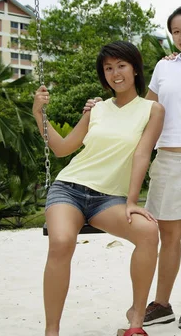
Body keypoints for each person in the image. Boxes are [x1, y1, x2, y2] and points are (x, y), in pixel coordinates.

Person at [85, 6, 181, 329]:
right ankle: (162, 303)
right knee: (169, 234)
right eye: (176, 32)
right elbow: (142, 107)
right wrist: (101, 110)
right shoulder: (163, 69)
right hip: (166, 158)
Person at [35, 41, 165, 336]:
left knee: (148, 232)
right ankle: (51, 331)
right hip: (69, 189)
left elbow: (143, 153)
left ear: (135, 69)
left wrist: (132, 201)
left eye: (121, 65)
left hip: (109, 200)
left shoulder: (152, 110)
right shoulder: (96, 109)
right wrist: (39, 114)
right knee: (61, 242)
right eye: (108, 68)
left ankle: (135, 322)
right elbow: (62, 149)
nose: (115, 73)